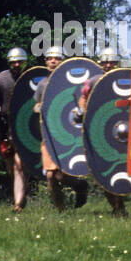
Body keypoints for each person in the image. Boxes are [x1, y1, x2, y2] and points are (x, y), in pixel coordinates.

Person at [33, 45, 89, 212]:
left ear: (62, 61)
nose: (53, 61)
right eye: (50, 58)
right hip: (49, 134)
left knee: (61, 175)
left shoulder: (71, 82)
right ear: (46, 62)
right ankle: (61, 211)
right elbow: (35, 106)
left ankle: (79, 185)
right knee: (50, 175)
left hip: (67, 133)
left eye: (56, 58)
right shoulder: (43, 84)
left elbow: (79, 105)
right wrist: (39, 107)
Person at [76, 45, 128, 217]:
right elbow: (83, 97)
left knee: (119, 167)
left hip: (120, 130)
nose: (108, 65)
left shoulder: (124, 79)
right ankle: (115, 207)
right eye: (105, 62)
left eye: (111, 62)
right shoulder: (93, 80)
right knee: (102, 170)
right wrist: (82, 110)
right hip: (98, 129)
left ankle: (120, 205)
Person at [0, 46, 30, 211]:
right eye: (14, 62)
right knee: (10, 164)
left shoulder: (32, 77)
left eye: (20, 62)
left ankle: (18, 204)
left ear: (25, 62)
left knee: (19, 164)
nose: (17, 65)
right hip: (5, 124)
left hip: (25, 126)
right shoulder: (2, 77)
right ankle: (21, 192)